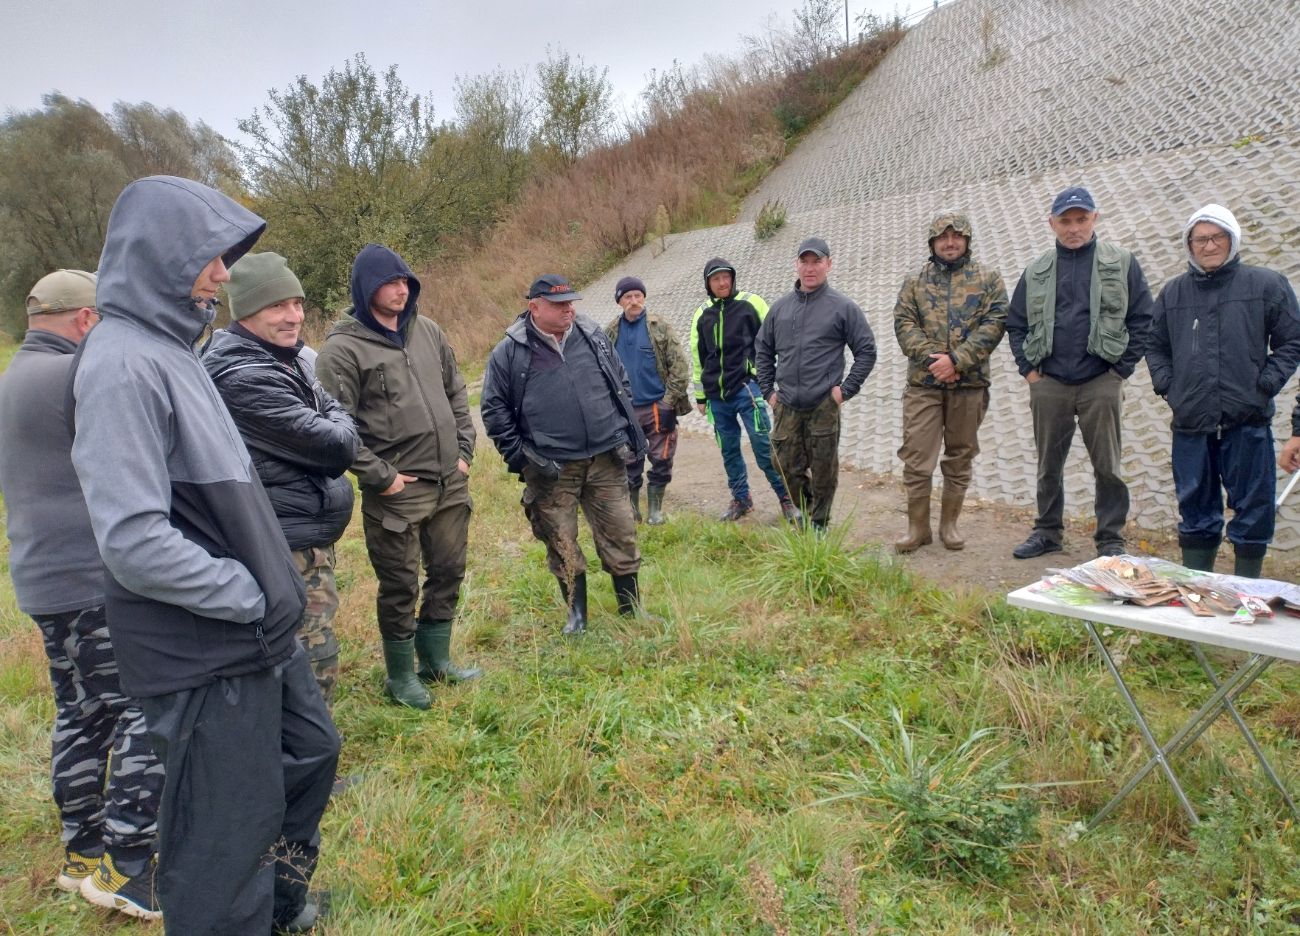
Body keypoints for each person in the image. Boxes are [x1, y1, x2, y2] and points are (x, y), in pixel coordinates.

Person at [70, 176, 339, 936]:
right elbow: (131, 539)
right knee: (224, 836)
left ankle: (280, 907)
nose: (224, 272)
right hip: (209, 648)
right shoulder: (122, 365)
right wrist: (248, 594)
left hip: (260, 637)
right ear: (159, 256)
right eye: (210, 256)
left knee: (310, 757)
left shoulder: (176, 351)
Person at [0, 270, 163, 920]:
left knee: (79, 711)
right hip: (92, 578)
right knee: (140, 707)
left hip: (40, 577)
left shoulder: (13, 378)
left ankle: (80, 855)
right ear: (87, 320)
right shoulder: (75, 377)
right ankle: (127, 867)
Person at [316, 244, 479, 711]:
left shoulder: (427, 331)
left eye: (406, 281)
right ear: (367, 288)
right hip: (397, 492)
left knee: (448, 570)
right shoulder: (342, 350)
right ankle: (401, 676)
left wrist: (464, 451)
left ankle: (436, 661)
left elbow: (456, 391)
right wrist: (381, 476)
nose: (401, 289)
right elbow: (334, 427)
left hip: (450, 480)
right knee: (400, 584)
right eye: (390, 282)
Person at [202, 252, 359, 709]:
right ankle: (305, 771)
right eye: (277, 306)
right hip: (281, 536)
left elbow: (332, 414)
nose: (293, 316)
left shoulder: (282, 359)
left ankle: (299, 762)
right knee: (306, 649)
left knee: (308, 641)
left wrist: (332, 417)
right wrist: (334, 419)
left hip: (294, 525)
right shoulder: (244, 373)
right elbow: (337, 445)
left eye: (297, 303)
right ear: (246, 310)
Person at [481, 274, 647, 635]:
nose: (568, 309)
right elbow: (494, 411)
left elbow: (620, 380)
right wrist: (522, 459)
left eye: (571, 302)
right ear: (534, 307)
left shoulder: (591, 333)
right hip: (553, 468)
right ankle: (577, 616)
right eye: (559, 304)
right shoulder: (510, 351)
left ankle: (631, 609)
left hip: (605, 458)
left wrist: (621, 425)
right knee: (561, 541)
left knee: (621, 531)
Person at [1148, 204, 1300, 576]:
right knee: (1195, 510)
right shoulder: (1173, 293)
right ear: (1189, 244)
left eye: (1217, 236)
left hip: (1247, 422)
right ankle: (1198, 593)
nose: (1209, 245)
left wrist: (1264, 384)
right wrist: (1169, 387)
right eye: (1200, 238)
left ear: (1232, 239)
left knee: (1254, 509)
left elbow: (1292, 342)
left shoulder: (1266, 285)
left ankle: (1246, 592)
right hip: (1191, 424)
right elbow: (1155, 346)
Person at [1006, 186, 1153, 559]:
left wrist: (1120, 370)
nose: (1074, 228)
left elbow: (1143, 318)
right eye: (1066, 221)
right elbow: (1017, 323)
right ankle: (1048, 532)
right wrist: (1030, 374)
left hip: (1100, 381)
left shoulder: (1121, 262)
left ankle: (1110, 538)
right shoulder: (1037, 269)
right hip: (1050, 382)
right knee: (1047, 465)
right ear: (1052, 223)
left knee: (1108, 465)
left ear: (1095, 219)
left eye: (1081, 219)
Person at [892, 211, 1008, 552]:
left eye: (956, 236)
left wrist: (958, 360)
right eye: (942, 237)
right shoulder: (915, 281)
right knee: (916, 457)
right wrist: (936, 362)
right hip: (923, 384)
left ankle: (949, 525)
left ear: (967, 240)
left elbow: (996, 321)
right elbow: (904, 324)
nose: (950, 242)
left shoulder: (988, 279)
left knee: (960, 455)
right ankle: (917, 529)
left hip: (969, 384)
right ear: (932, 242)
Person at [755, 237, 877, 531]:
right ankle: (806, 509)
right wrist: (769, 392)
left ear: (828, 265)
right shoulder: (780, 309)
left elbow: (866, 350)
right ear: (796, 265)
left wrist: (845, 390)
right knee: (783, 464)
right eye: (804, 262)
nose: (810, 268)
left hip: (824, 404)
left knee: (824, 469)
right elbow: (762, 350)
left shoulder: (843, 307)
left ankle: (819, 523)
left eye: (817, 261)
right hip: (786, 404)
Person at [690, 257, 799, 523]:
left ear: (733, 278)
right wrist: (701, 396)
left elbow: (775, 341)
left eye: (726, 276)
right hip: (717, 397)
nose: (722, 282)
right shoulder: (702, 313)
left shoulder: (753, 303)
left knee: (763, 445)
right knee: (728, 448)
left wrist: (773, 382)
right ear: (708, 284)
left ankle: (787, 499)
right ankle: (741, 498)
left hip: (747, 389)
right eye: (716, 279)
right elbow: (698, 356)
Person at [604, 275, 691, 525]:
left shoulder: (659, 326)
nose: (634, 301)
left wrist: (668, 401)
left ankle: (655, 510)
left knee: (662, 459)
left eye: (638, 296)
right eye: (628, 297)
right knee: (628, 462)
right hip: (626, 411)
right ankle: (633, 510)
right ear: (620, 301)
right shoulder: (609, 332)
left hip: (657, 406)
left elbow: (679, 366)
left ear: (644, 297)